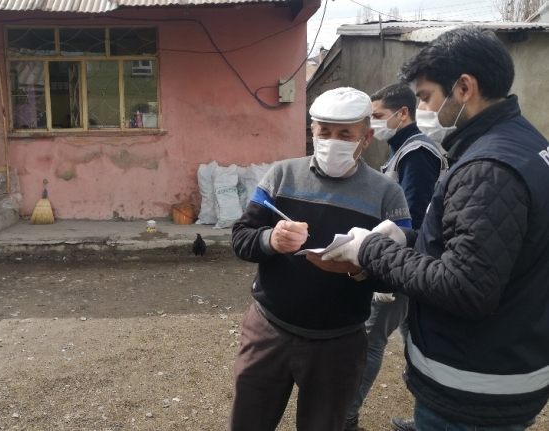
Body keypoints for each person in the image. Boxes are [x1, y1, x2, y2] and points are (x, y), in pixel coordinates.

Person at [323, 27, 549, 430]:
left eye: (426, 96)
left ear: (464, 87)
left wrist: (371, 251)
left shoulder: (488, 168)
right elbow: (487, 246)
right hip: (511, 360)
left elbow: (466, 285)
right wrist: (410, 240)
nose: (423, 107)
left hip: (475, 387)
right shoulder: (526, 143)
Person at [229, 87, 411, 431]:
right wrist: (272, 239)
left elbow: (399, 272)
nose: (332, 140)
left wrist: (357, 269)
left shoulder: (388, 195)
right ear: (311, 131)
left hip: (338, 342)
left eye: (345, 134)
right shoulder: (281, 175)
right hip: (269, 329)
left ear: (366, 136)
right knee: (248, 421)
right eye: (324, 131)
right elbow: (241, 238)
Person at [344, 83, 446, 431]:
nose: (373, 125)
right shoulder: (403, 151)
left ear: (403, 114)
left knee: (369, 341)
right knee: (417, 341)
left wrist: (387, 269)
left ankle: (345, 417)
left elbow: (413, 219)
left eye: (377, 116)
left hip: (402, 265)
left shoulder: (417, 153)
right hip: (407, 263)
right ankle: (427, 419)